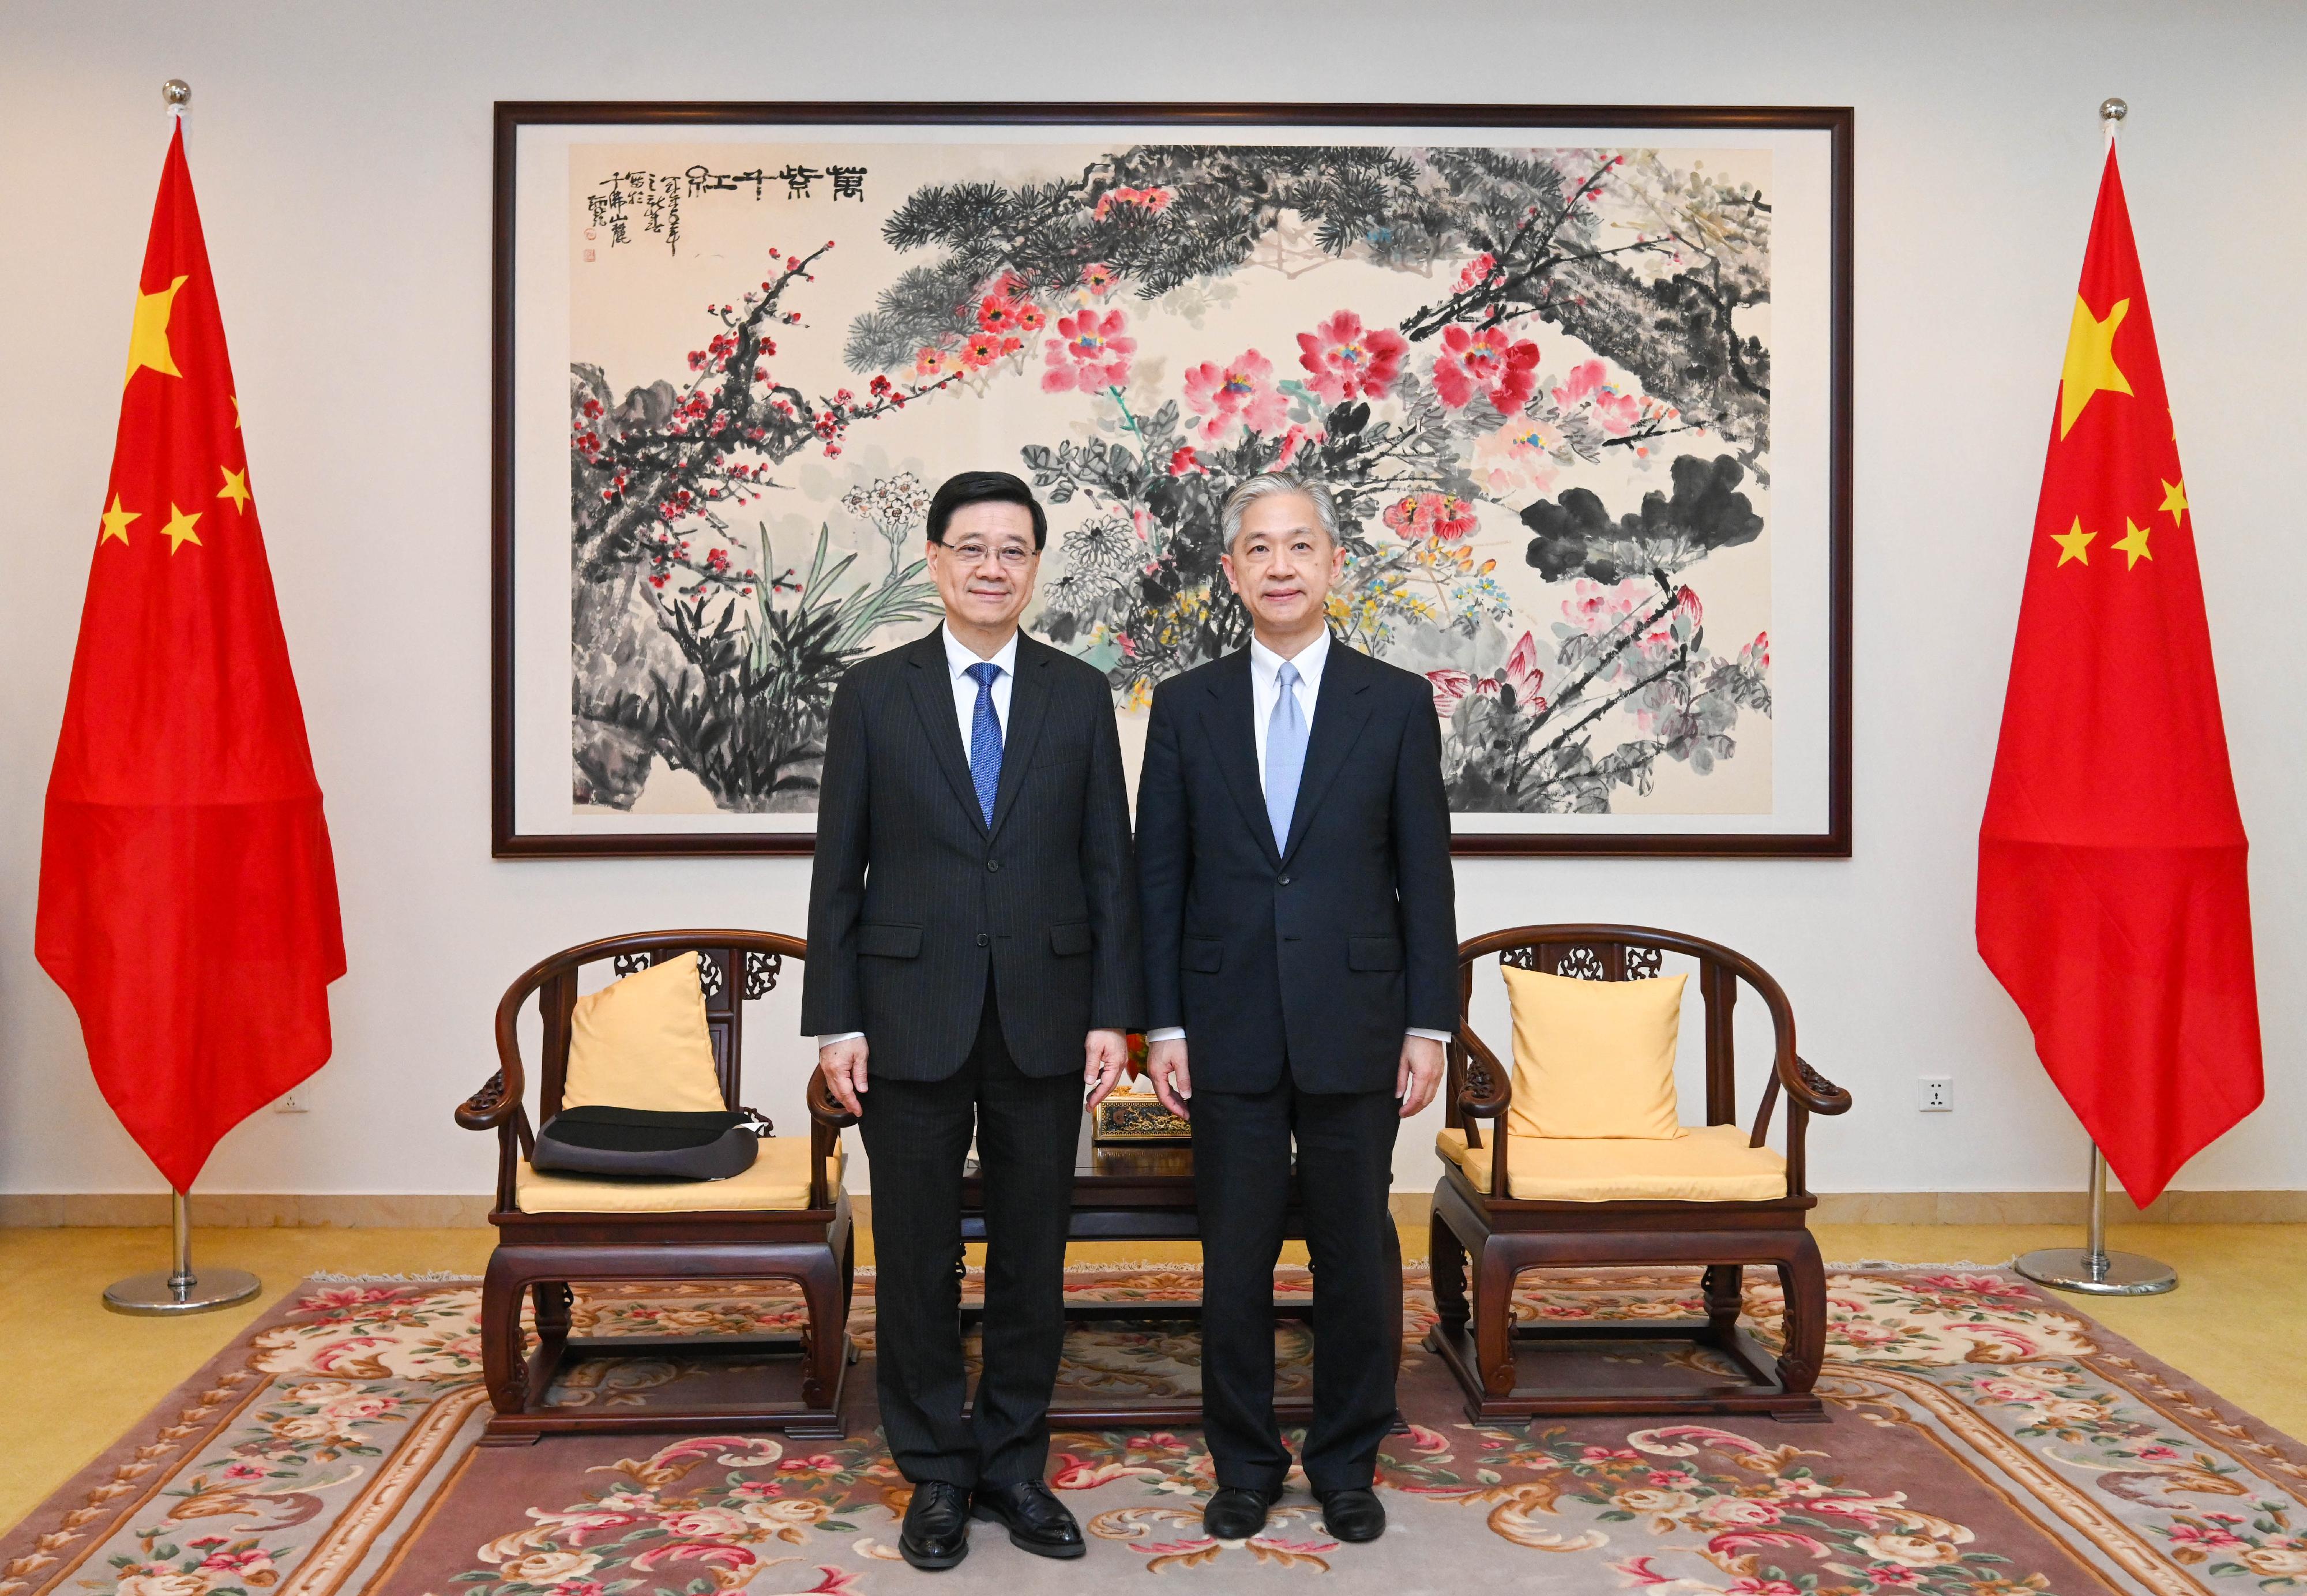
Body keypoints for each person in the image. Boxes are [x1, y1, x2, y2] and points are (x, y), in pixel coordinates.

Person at [803, 470, 1141, 1571]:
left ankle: (1011, 1462)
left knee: (1034, 1254)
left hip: (1047, 1014)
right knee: (914, 1252)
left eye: (1013, 550)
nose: (992, 567)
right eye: (971, 547)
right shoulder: (873, 694)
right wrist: (835, 1020)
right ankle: (935, 1472)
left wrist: (1115, 1015)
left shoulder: (1078, 695)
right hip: (907, 1016)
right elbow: (837, 876)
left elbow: (1109, 868)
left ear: (1034, 567)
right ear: (938, 561)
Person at [1136, 471, 1457, 1546]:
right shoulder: (1184, 707)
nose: (1280, 566)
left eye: (1299, 547)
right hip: (1222, 1023)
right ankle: (1242, 1461)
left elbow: (1427, 875)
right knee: (1233, 1256)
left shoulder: (1397, 702)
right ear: (1232, 573)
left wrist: (1429, 1024)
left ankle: (1346, 1457)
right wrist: (1164, 1025)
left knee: (1354, 1255)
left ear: (1333, 564)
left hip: (1358, 1022)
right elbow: (1160, 878)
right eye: (1258, 550)